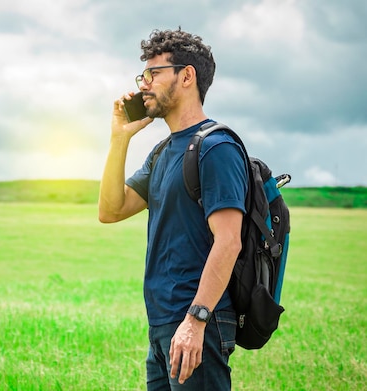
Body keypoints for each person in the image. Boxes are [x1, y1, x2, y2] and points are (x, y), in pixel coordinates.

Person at [98, 28, 247, 390]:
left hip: (198, 323)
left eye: (154, 73)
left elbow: (228, 242)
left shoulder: (216, 147)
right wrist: (120, 138)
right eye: (142, 75)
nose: (144, 84)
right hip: (163, 324)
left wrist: (195, 321)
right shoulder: (163, 151)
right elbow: (111, 210)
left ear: (186, 76)